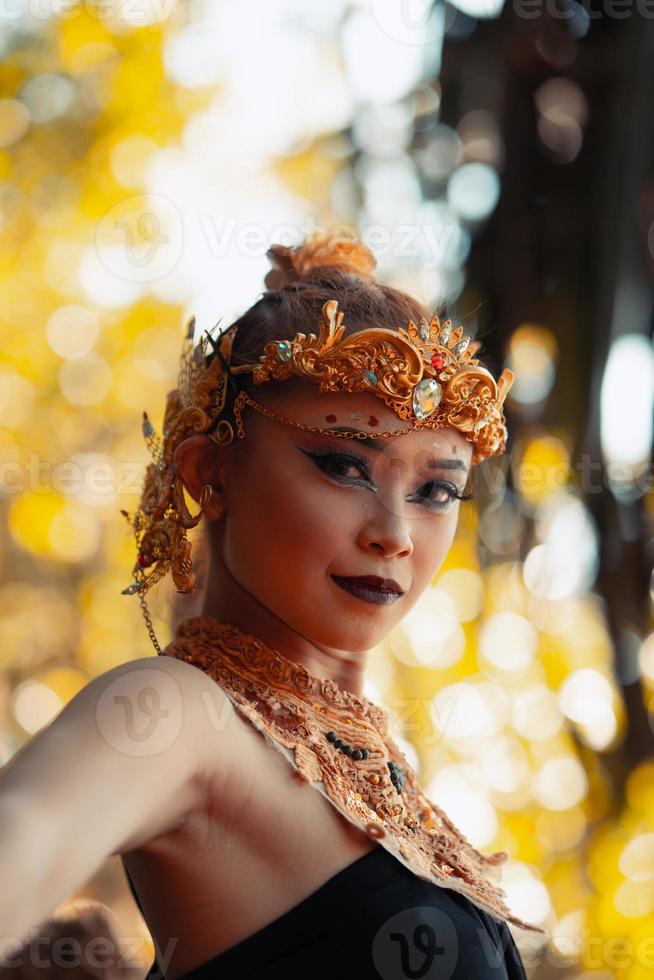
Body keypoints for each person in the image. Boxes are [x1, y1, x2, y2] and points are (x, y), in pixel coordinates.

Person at [1, 232, 545, 979]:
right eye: (344, 465)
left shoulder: (381, 765)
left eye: (436, 490)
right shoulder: (177, 713)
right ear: (212, 473)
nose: (394, 534)